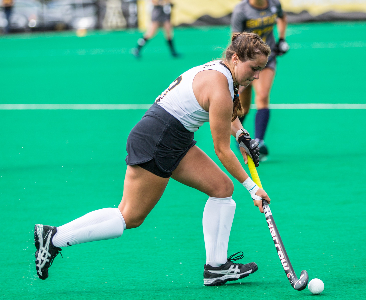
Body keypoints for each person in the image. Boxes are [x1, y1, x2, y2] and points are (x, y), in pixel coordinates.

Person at [35, 32, 273, 285]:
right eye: (254, 68)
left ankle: (216, 267)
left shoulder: (223, 72)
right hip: (157, 139)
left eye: (260, 70)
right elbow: (222, 149)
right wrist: (252, 188)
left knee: (222, 188)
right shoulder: (219, 83)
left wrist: (242, 134)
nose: (256, 75)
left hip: (173, 137)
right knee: (130, 216)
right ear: (236, 58)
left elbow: (227, 109)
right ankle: (54, 238)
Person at [230, 0, 289, 161]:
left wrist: (282, 39)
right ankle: (239, 136)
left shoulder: (274, 4)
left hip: (267, 60)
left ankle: (259, 142)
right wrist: (237, 67)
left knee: (262, 95)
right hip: (246, 62)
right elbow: (235, 40)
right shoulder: (241, 10)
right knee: (243, 108)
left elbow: (282, 18)